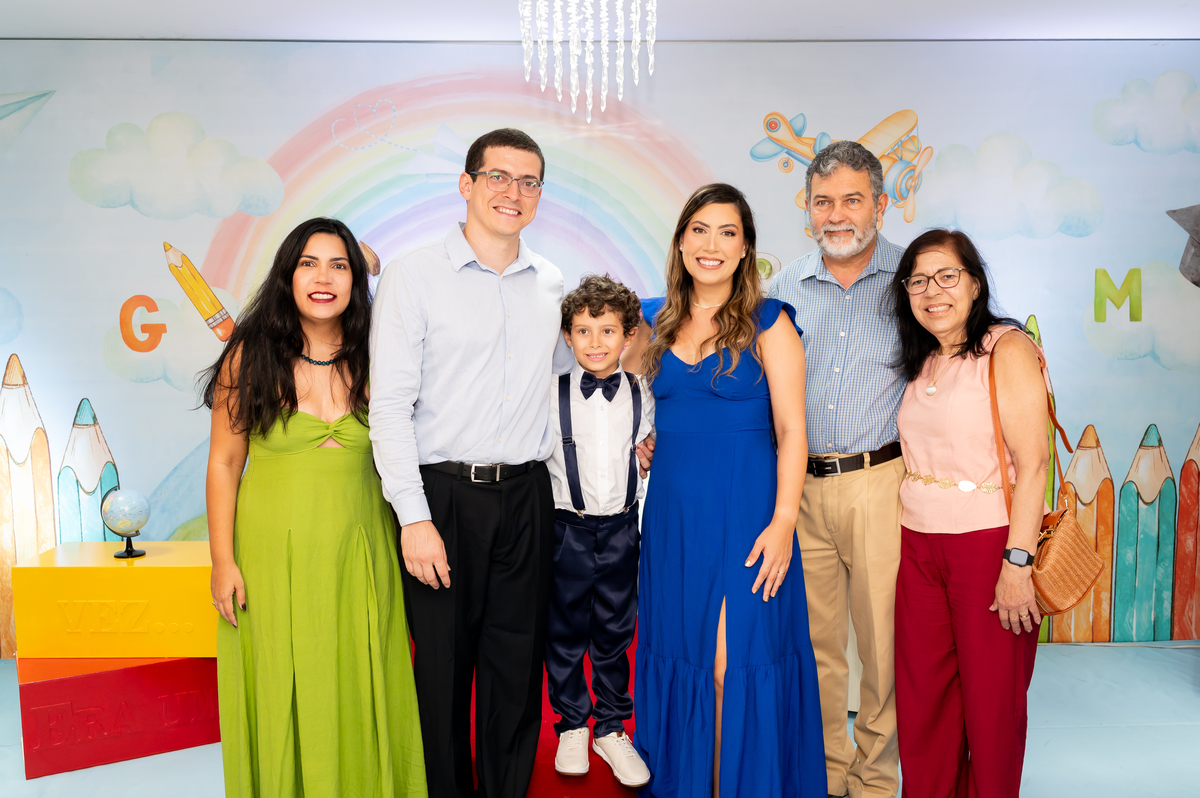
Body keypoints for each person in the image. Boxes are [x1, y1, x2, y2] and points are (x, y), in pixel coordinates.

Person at [368, 128, 576, 798]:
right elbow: (388, 406)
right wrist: (413, 518)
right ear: (467, 184)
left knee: (515, 671)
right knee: (443, 674)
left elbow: (573, 383)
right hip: (443, 498)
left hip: (527, 497)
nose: (513, 192)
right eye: (498, 177)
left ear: (539, 195)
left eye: (529, 181)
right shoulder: (413, 275)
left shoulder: (552, 284)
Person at [204, 217, 426, 798]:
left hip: (362, 554)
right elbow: (224, 463)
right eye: (308, 264)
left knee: (360, 683)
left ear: (356, 279)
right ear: (287, 275)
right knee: (281, 684)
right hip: (271, 557)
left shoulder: (380, 354)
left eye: (338, 265)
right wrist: (223, 562)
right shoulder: (249, 355)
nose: (323, 279)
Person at [630, 183, 825, 797]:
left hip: (749, 515)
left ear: (745, 249)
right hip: (673, 519)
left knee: (727, 665)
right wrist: (639, 440)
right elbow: (610, 398)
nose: (711, 244)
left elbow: (792, 430)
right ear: (680, 241)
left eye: (727, 232)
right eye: (699, 230)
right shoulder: (648, 320)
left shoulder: (771, 322)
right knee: (683, 656)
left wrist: (784, 521)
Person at [766, 140, 905, 798]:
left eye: (852, 199)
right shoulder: (782, 289)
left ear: (881, 203)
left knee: (882, 645)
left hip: (882, 483)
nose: (837, 214)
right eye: (823, 202)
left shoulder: (914, 280)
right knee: (816, 645)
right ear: (807, 209)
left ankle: (876, 778)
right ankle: (827, 772)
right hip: (798, 489)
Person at [891, 229, 1048, 798]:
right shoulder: (922, 359)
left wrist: (1018, 563)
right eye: (917, 281)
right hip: (918, 544)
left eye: (947, 276)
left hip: (988, 545)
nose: (932, 291)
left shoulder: (1007, 348)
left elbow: (1034, 463)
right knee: (924, 701)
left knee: (991, 705)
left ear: (975, 284)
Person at [545, 275, 654, 788]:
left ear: (628, 335)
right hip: (565, 529)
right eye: (583, 331)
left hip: (622, 529)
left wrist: (651, 452)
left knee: (615, 632)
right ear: (567, 335)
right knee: (565, 631)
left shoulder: (643, 392)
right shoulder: (549, 393)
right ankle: (572, 725)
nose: (595, 343)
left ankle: (611, 728)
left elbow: (652, 446)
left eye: (607, 331)